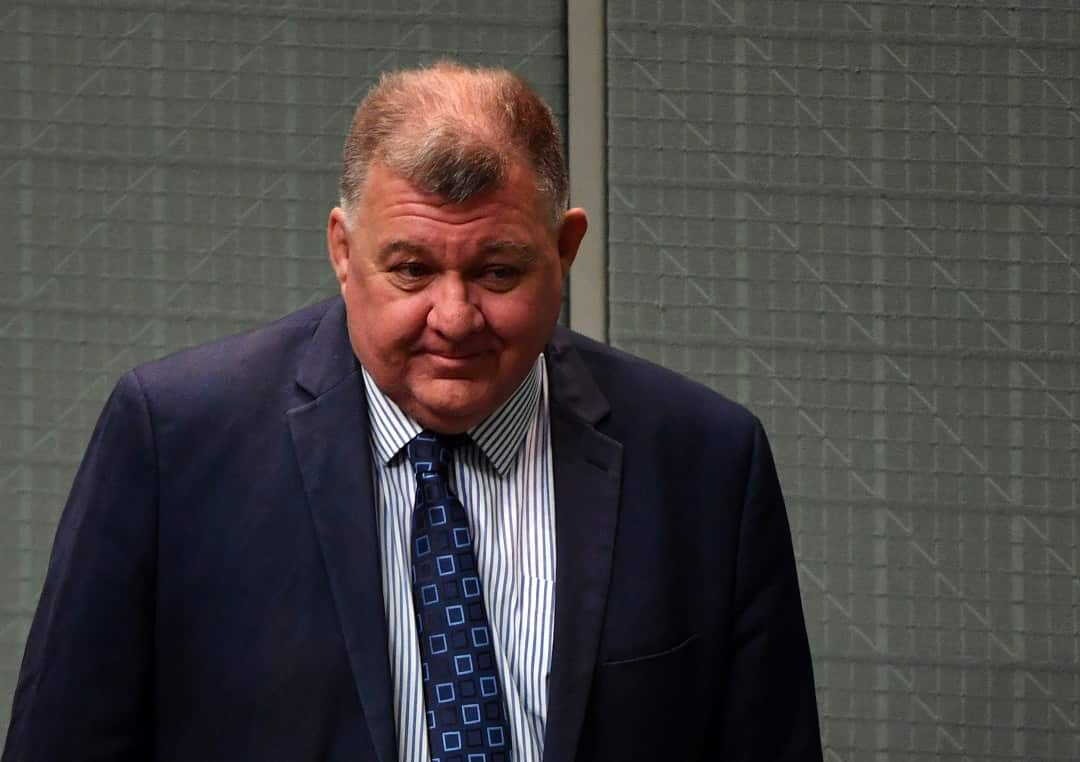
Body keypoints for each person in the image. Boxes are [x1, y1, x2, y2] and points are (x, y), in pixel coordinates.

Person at [2, 61, 822, 761]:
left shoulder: (706, 462)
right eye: (411, 270)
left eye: (499, 271)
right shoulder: (174, 441)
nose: (455, 317)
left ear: (564, 250)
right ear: (342, 251)